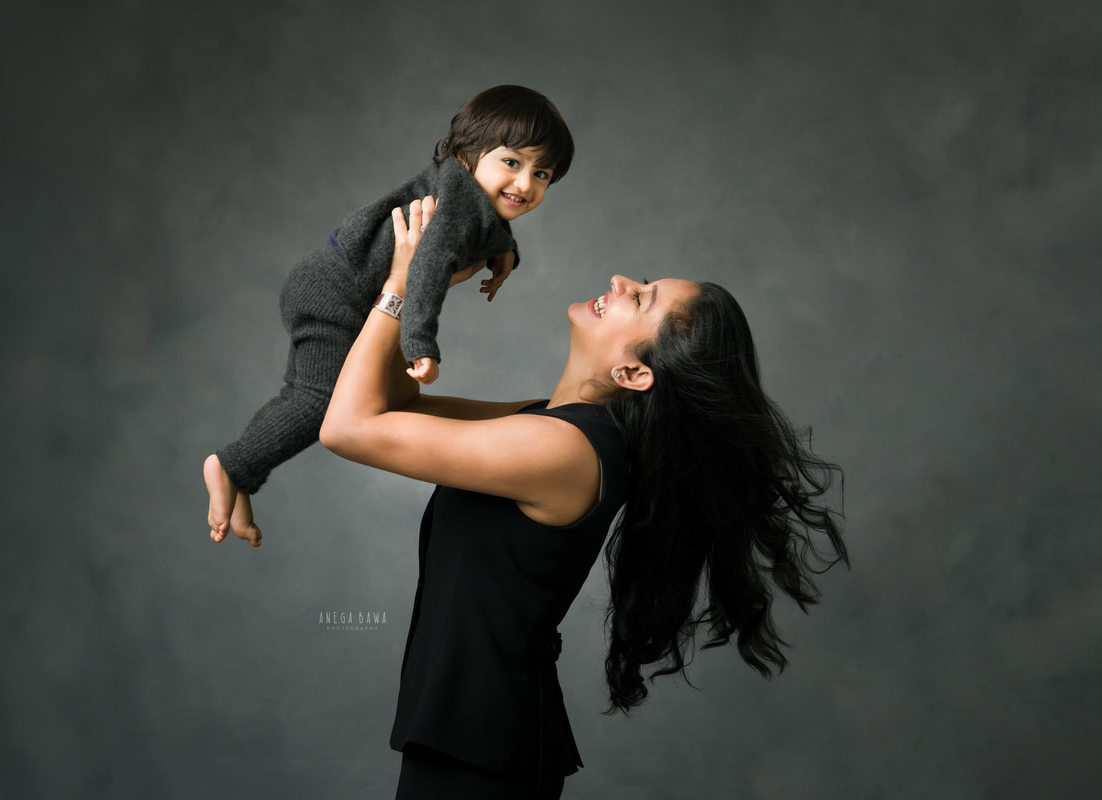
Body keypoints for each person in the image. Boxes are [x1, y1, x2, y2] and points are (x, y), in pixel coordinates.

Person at [304, 197, 850, 798]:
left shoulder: (563, 452)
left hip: (483, 753)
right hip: (473, 738)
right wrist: (429, 282)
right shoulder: (547, 423)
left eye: (640, 297)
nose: (620, 281)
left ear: (635, 374)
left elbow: (346, 428)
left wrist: (403, 283)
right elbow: (386, 403)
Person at [203, 85, 575, 545]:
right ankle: (229, 466)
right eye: (513, 163)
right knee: (322, 400)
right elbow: (427, 267)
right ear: (466, 152)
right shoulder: (457, 201)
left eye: (542, 173)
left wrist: (506, 253)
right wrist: (421, 344)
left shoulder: (465, 191)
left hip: (331, 284)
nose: (525, 184)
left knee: (300, 393)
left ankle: (241, 476)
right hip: (336, 295)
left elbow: (489, 228)